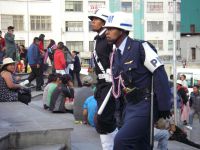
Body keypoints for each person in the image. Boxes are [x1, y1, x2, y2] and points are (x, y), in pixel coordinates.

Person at [104, 12, 171, 150]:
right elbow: (118, 87)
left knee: (121, 142)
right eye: (107, 28)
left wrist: (164, 106)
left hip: (144, 105)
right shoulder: (115, 55)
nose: (107, 32)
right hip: (129, 106)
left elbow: (160, 73)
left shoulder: (141, 47)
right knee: (141, 146)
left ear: (122, 30)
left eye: (111, 28)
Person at [88, 8, 117, 150]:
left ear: (104, 22)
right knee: (102, 120)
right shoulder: (98, 39)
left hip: (109, 84)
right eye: (92, 19)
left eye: (96, 19)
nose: (92, 22)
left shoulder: (108, 39)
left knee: (103, 118)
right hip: (101, 84)